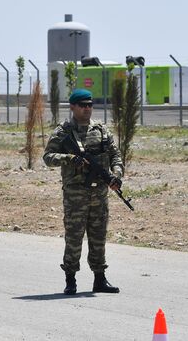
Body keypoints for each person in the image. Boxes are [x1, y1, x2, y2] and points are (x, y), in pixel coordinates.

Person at [43, 89, 123, 295]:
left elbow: (115, 155)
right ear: (72, 107)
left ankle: (100, 279)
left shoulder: (101, 130)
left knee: (98, 238)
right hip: (75, 196)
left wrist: (115, 175)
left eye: (90, 105)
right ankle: (70, 280)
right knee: (74, 238)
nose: (87, 108)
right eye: (82, 105)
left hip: (99, 196)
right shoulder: (63, 131)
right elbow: (48, 157)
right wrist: (69, 159)